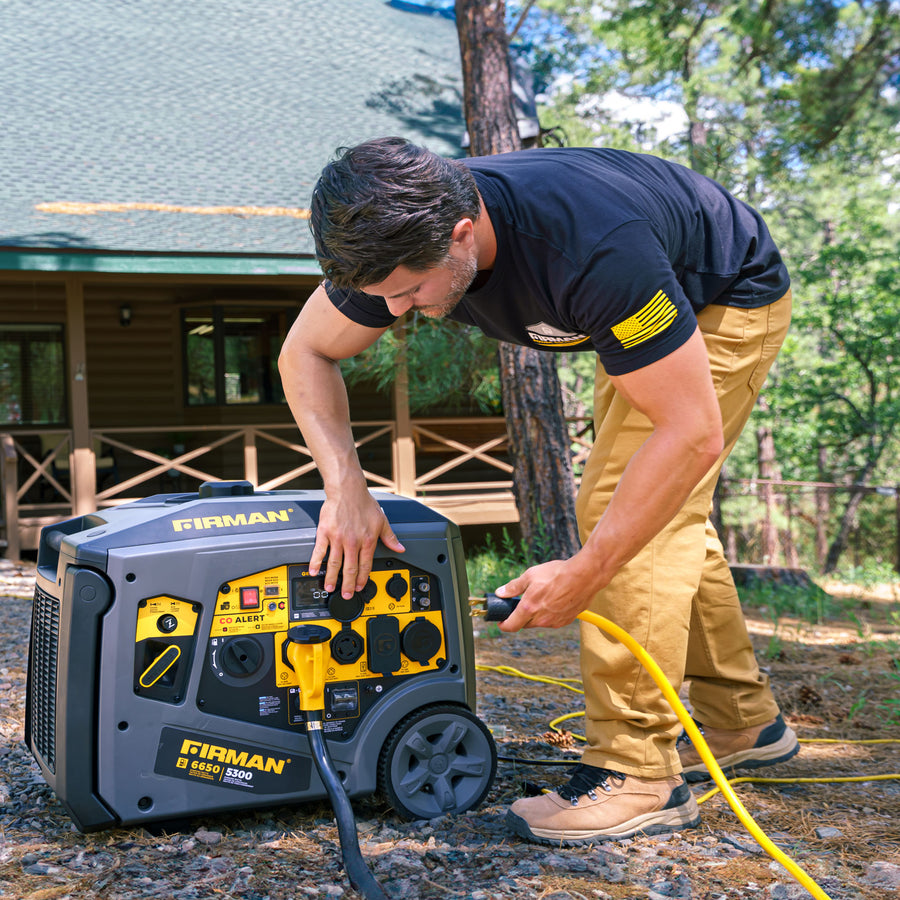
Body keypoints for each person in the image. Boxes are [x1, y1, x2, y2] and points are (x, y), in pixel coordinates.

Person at [278, 136, 799, 845]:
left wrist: (588, 571)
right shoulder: (388, 237)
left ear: (463, 232)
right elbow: (305, 351)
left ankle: (640, 772)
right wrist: (345, 487)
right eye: (382, 297)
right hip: (641, 291)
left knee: (624, 506)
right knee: (650, 507)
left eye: (408, 292)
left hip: (724, 292)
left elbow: (692, 433)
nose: (394, 312)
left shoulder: (588, 247)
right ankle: (745, 722)